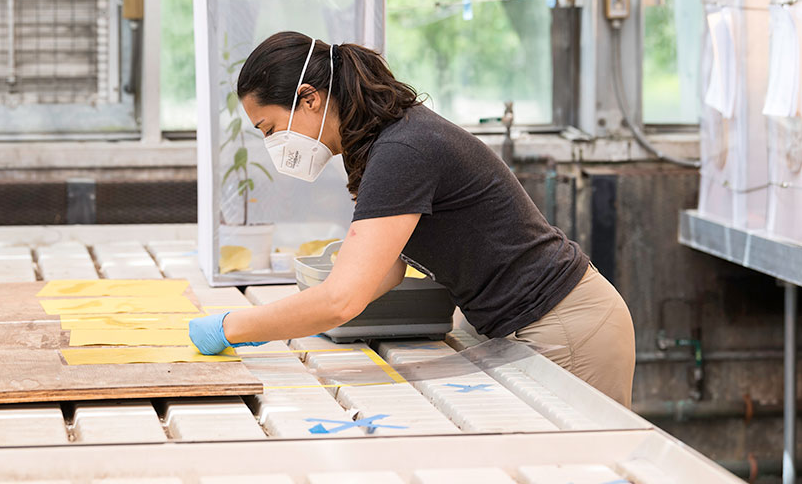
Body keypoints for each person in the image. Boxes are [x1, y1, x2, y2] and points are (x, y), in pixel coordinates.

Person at [189, 31, 636, 407]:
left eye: (270, 129)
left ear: (309, 98)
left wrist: (232, 327)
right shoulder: (381, 143)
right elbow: (384, 271)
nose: (274, 145)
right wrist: (292, 319)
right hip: (530, 321)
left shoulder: (402, 150)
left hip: (565, 326)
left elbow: (341, 300)